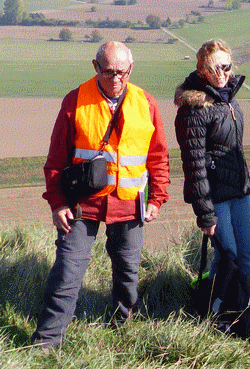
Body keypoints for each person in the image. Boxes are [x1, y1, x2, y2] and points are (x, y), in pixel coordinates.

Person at [32, 41, 170, 349]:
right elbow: (55, 161)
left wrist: (157, 198)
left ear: (131, 68)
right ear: (96, 67)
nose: (116, 78)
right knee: (67, 272)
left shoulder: (147, 103)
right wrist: (57, 204)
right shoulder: (75, 101)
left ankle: (121, 329)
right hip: (81, 205)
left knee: (128, 273)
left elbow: (158, 156)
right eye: (108, 72)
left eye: (122, 72)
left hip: (129, 203)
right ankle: (45, 343)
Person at [174, 39, 250, 296]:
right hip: (215, 197)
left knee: (246, 254)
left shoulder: (229, 98)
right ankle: (218, 306)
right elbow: (194, 165)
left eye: (226, 66)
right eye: (213, 68)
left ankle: (248, 307)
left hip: (239, 191)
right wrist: (205, 213)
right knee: (227, 254)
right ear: (201, 70)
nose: (221, 73)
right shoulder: (194, 109)